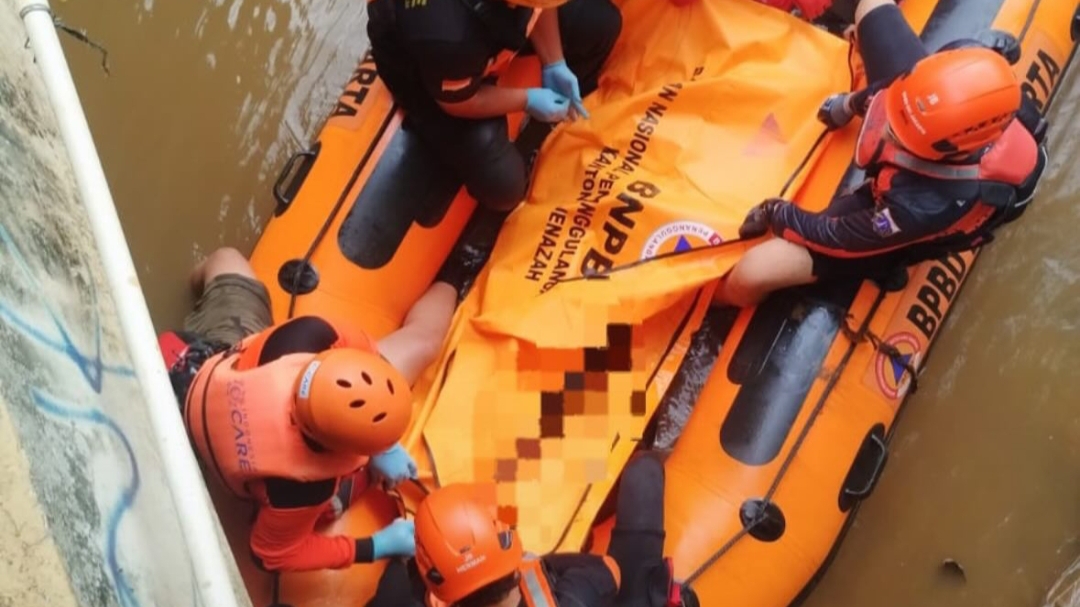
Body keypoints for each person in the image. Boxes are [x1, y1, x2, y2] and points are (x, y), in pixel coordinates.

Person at [712, 0, 1049, 308]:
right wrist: (848, 105)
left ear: (947, 149)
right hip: (924, 121)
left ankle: (716, 309)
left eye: (901, 134)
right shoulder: (957, 62)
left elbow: (836, 235)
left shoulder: (923, 205)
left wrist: (777, 212)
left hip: (898, 228)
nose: (885, 130)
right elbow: (898, 87)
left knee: (753, 271)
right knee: (871, 5)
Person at [162, 247, 459, 572]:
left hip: (196, 370)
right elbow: (270, 554)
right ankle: (459, 271)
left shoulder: (305, 336)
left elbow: (367, 361)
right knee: (425, 341)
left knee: (226, 259)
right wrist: (374, 546)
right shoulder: (303, 488)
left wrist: (382, 444)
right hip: (207, 449)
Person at [365, 0, 623, 213]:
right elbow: (459, 102)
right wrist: (527, 100)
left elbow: (540, 6)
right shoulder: (447, 36)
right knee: (504, 185)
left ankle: (563, 104)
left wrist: (554, 61)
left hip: (479, 29)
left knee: (600, 25)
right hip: (433, 66)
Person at [364, 452, 698, 607]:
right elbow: (608, 571)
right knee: (643, 473)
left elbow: (399, 583)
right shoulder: (576, 593)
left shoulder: (396, 594)